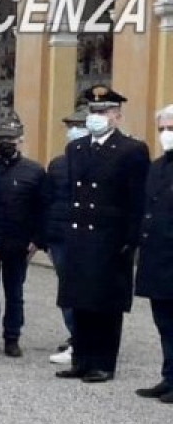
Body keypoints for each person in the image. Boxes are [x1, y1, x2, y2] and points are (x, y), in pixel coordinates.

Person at [55, 86, 151, 383]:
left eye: (104, 111)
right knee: (80, 299)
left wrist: (130, 240)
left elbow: (138, 199)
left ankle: (103, 362)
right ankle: (81, 358)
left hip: (110, 238)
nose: (97, 117)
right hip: (80, 235)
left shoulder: (131, 150)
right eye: (93, 111)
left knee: (106, 305)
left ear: (117, 116)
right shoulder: (77, 148)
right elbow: (72, 191)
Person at [0, 112, 49, 358]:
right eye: (1, 139)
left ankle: (12, 337)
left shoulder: (34, 171)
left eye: (11, 139)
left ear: (21, 140)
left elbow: (43, 208)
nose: (5, 144)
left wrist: (37, 240)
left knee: (14, 292)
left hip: (19, 243)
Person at [46, 108, 91, 366]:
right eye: (71, 125)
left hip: (87, 237)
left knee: (87, 288)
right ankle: (75, 334)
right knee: (66, 290)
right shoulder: (58, 163)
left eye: (79, 125)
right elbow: (48, 200)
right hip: (60, 236)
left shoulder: (98, 160)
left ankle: (86, 338)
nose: (74, 130)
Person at [134, 104, 173, 404]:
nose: (165, 135)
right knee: (164, 323)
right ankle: (168, 376)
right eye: (162, 129)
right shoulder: (158, 166)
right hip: (158, 257)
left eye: (170, 129)